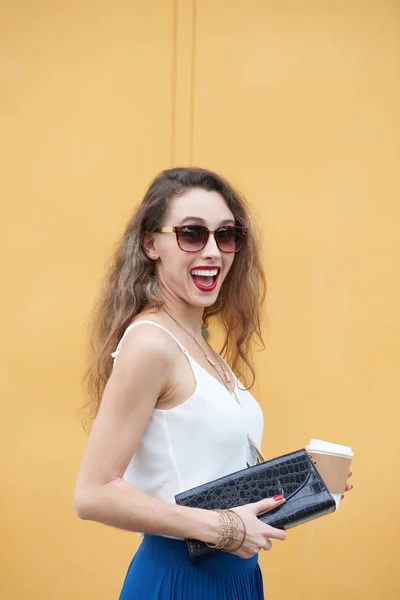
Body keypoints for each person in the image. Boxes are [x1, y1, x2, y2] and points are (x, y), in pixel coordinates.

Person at [74, 167, 352, 599]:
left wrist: (303, 484)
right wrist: (221, 527)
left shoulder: (198, 344)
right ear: (151, 243)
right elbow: (93, 494)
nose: (213, 251)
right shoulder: (152, 344)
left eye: (226, 236)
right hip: (181, 579)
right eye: (191, 233)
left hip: (235, 577)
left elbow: (213, 470)